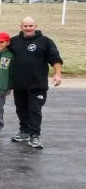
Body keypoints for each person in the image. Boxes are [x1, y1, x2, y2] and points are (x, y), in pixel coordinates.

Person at [8, 17, 62, 149]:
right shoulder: (14, 41)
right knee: (21, 110)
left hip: (37, 85)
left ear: (35, 26)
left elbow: (55, 58)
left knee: (34, 110)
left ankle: (35, 136)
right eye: (25, 26)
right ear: (20, 26)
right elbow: (2, 53)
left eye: (31, 26)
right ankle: (24, 132)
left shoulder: (45, 41)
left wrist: (57, 74)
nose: (28, 28)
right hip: (19, 84)